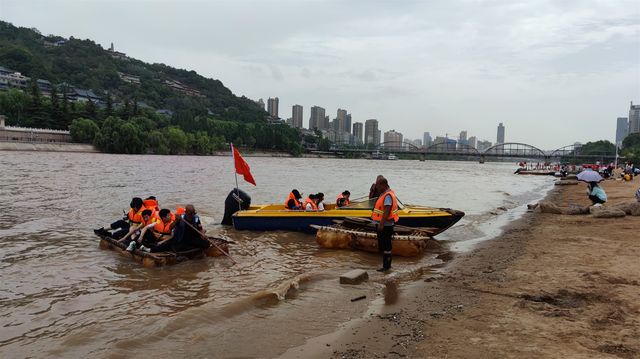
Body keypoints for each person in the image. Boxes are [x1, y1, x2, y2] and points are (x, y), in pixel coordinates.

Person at [371, 177, 399, 272]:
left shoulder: (387, 195)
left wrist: (381, 224)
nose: (377, 188)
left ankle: (386, 267)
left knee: (386, 246)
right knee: (385, 246)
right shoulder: (386, 194)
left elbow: (387, 210)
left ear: (383, 185)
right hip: (385, 224)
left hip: (385, 225)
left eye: (378, 186)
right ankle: (386, 266)